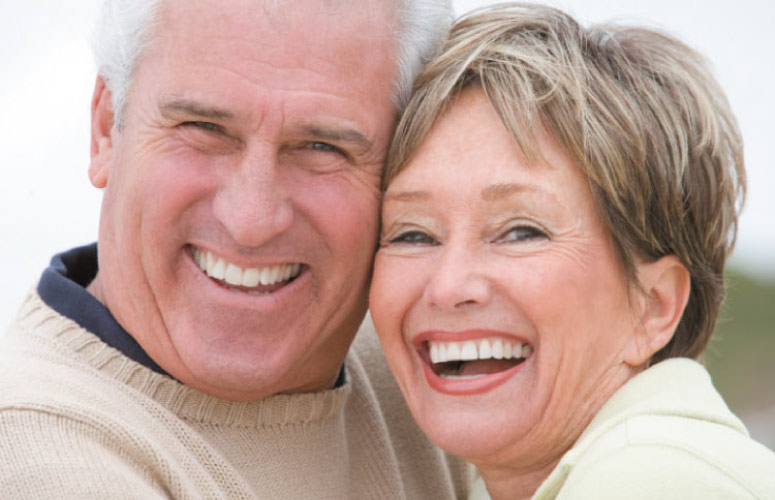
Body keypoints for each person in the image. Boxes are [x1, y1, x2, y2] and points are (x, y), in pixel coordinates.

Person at [0, 0, 474, 498]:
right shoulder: (38, 458)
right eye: (205, 129)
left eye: (321, 147)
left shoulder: (439, 363)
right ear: (105, 129)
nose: (251, 221)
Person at [369, 3, 775, 499]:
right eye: (413, 234)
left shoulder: (652, 479)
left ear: (654, 305)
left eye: (521, 232)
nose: (449, 286)